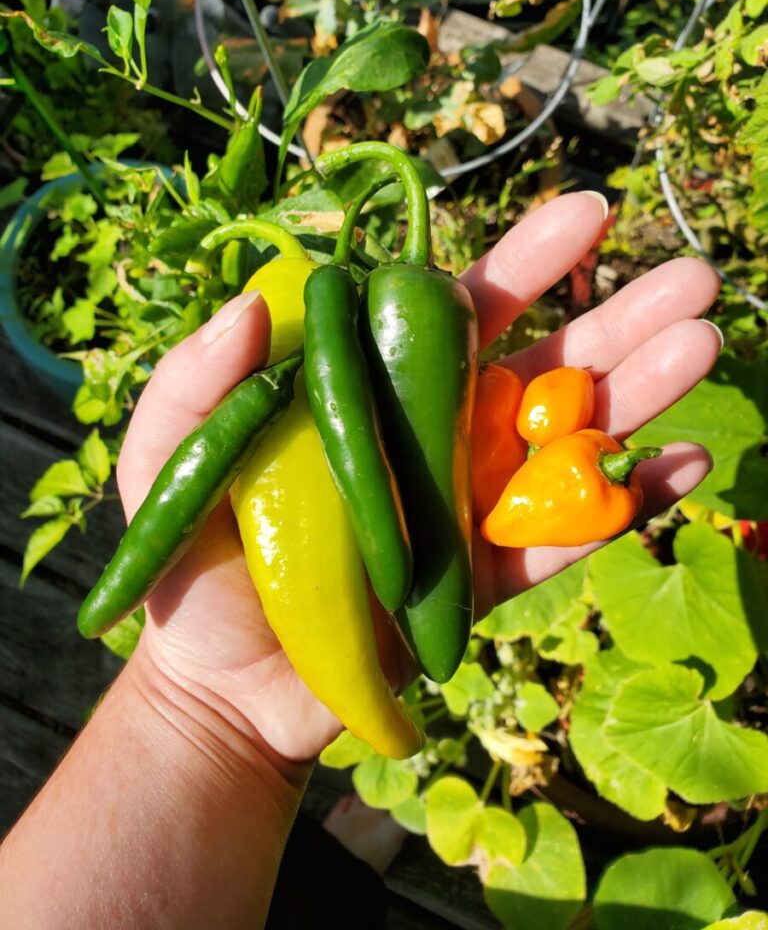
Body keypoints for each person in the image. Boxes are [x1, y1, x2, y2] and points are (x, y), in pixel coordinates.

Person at [0, 192, 722, 929]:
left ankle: (340, 862)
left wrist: (201, 713)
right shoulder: (291, 317)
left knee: (320, 892)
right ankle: (344, 863)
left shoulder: (312, 317)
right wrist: (201, 701)